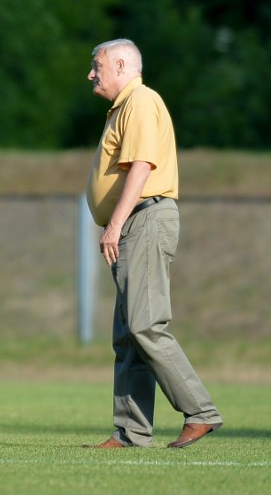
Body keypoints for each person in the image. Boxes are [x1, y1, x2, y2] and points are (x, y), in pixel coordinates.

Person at [84, 39, 223, 449]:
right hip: (133, 223)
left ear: (122, 65)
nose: (91, 74)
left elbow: (142, 167)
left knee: (146, 324)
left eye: (97, 66)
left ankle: (200, 412)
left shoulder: (140, 101)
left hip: (144, 219)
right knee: (129, 334)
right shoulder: (124, 106)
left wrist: (116, 223)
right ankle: (131, 432)